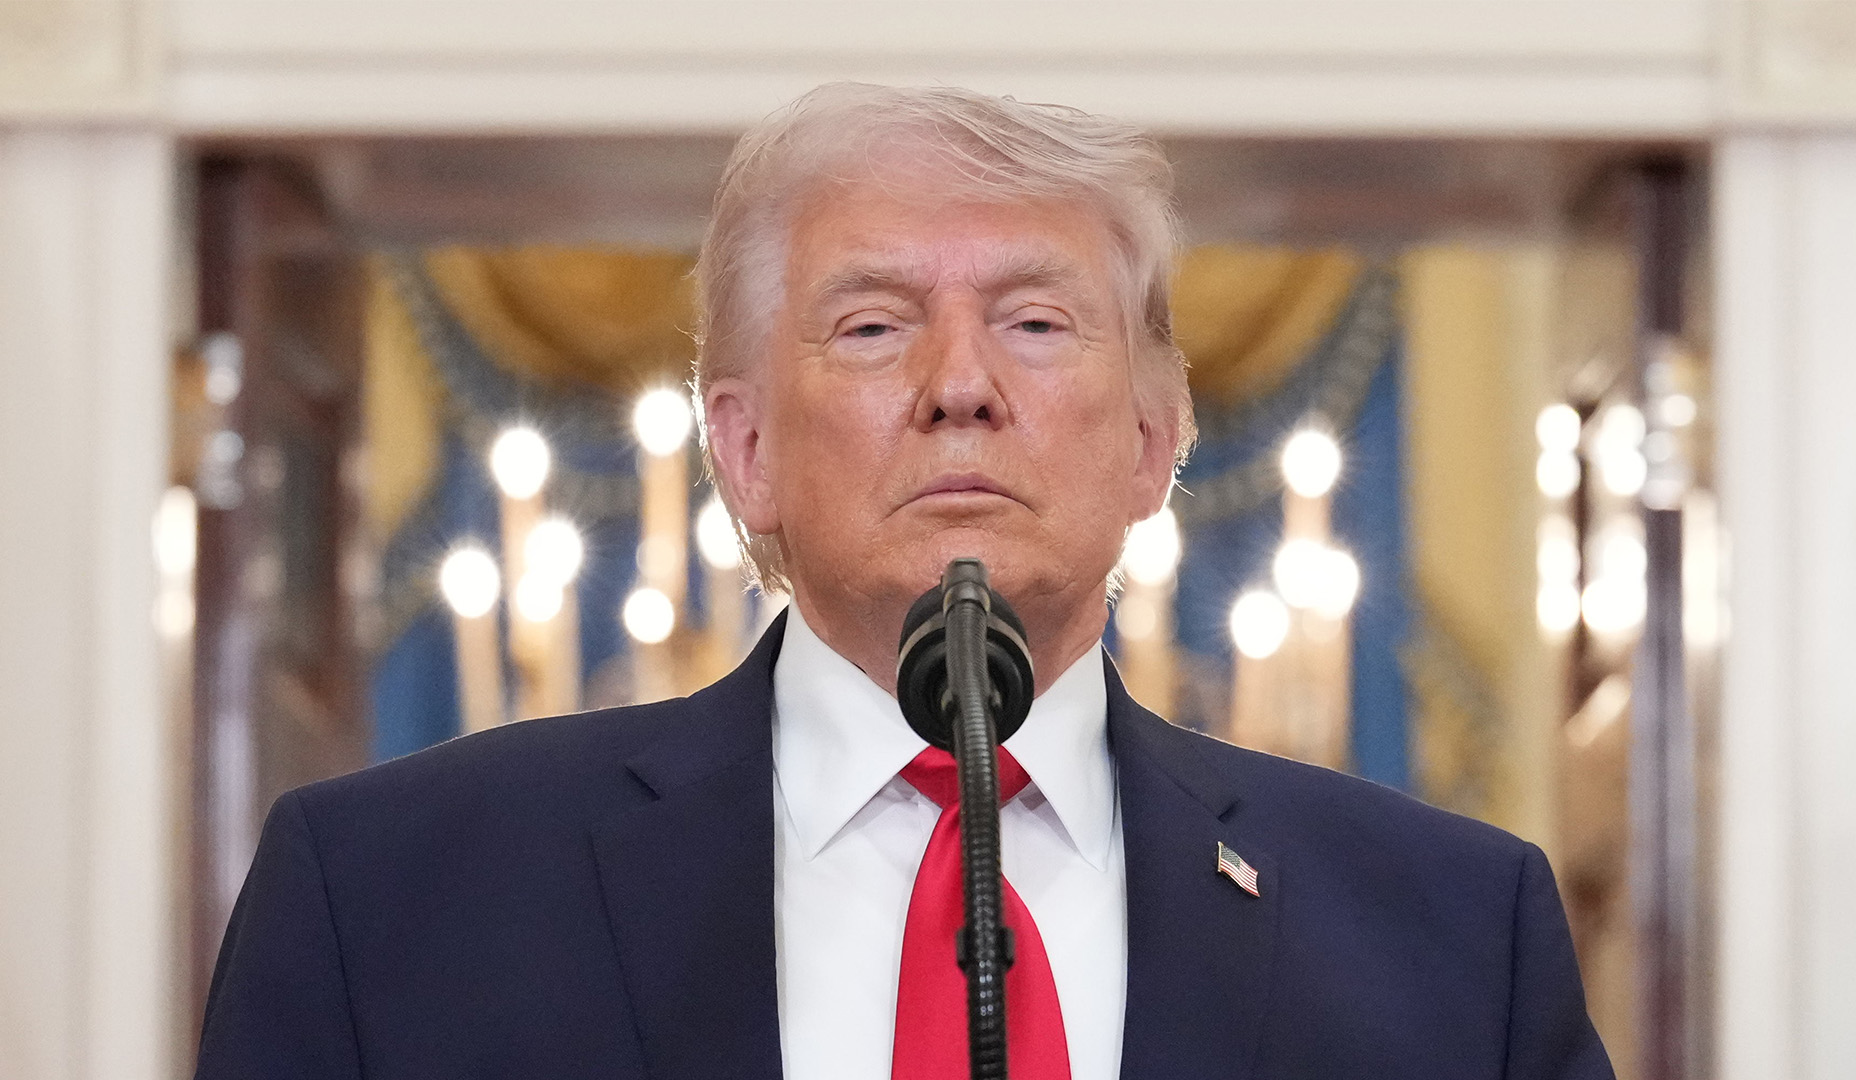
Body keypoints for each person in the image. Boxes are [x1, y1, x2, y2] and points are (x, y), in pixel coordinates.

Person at [194, 83, 1613, 1080]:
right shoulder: (388, 902)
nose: (960, 387)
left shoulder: (1448, 939)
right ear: (742, 449)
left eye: (1037, 321)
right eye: (873, 325)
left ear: (1153, 440)